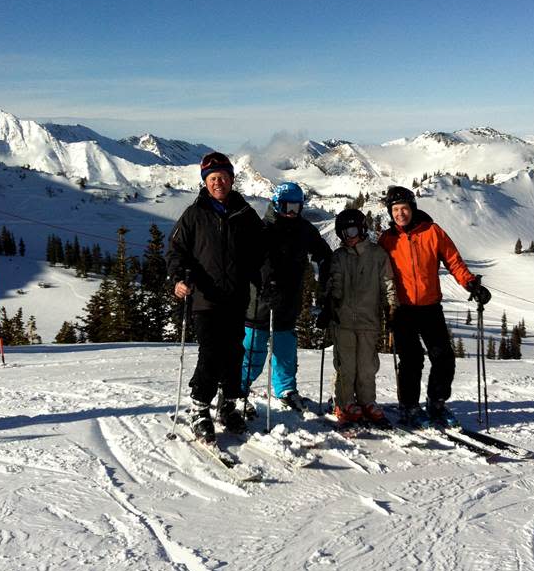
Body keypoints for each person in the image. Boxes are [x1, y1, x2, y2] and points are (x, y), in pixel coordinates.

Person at [166, 151, 264, 443]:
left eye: (222, 177)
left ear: (231, 180)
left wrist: (265, 278)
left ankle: (228, 404)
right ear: (205, 182)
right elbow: (176, 251)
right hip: (205, 297)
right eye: (212, 178)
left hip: (235, 296)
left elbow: (260, 252)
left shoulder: (246, 214)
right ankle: (199, 408)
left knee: (234, 352)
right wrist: (178, 278)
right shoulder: (194, 214)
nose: (218, 183)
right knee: (210, 353)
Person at [378, 186, 491, 426]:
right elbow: (379, 275)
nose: (400, 214)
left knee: (444, 357)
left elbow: (453, 261)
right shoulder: (387, 239)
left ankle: (436, 402)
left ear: (413, 209)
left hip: (430, 307)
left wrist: (471, 284)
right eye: (395, 210)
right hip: (402, 310)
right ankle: (408, 406)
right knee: (411, 360)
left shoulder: (432, 231)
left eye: (404, 209)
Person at [241, 182, 331, 412]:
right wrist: (264, 281)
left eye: (296, 207)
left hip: (288, 302)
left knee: (285, 350)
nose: (292, 212)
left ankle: (286, 390)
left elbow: (322, 251)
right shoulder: (262, 228)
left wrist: (325, 265)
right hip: (259, 302)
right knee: (253, 351)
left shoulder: (303, 229)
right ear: (276, 204)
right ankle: (237, 389)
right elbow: (249, 261)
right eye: (287, 206)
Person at [324, 208, 397, 425]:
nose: (350, 236)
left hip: (369, 320)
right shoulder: (339, 257)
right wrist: (329, 304)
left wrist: (392, 308)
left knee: (366, 365)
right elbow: (333, 283)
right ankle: (344, 402)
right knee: (346, 365)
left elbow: (388, 283)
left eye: (353, 230)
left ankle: (367, 401)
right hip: (343, 320)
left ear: (362, 229)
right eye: (344, 233)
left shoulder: (377, 255)